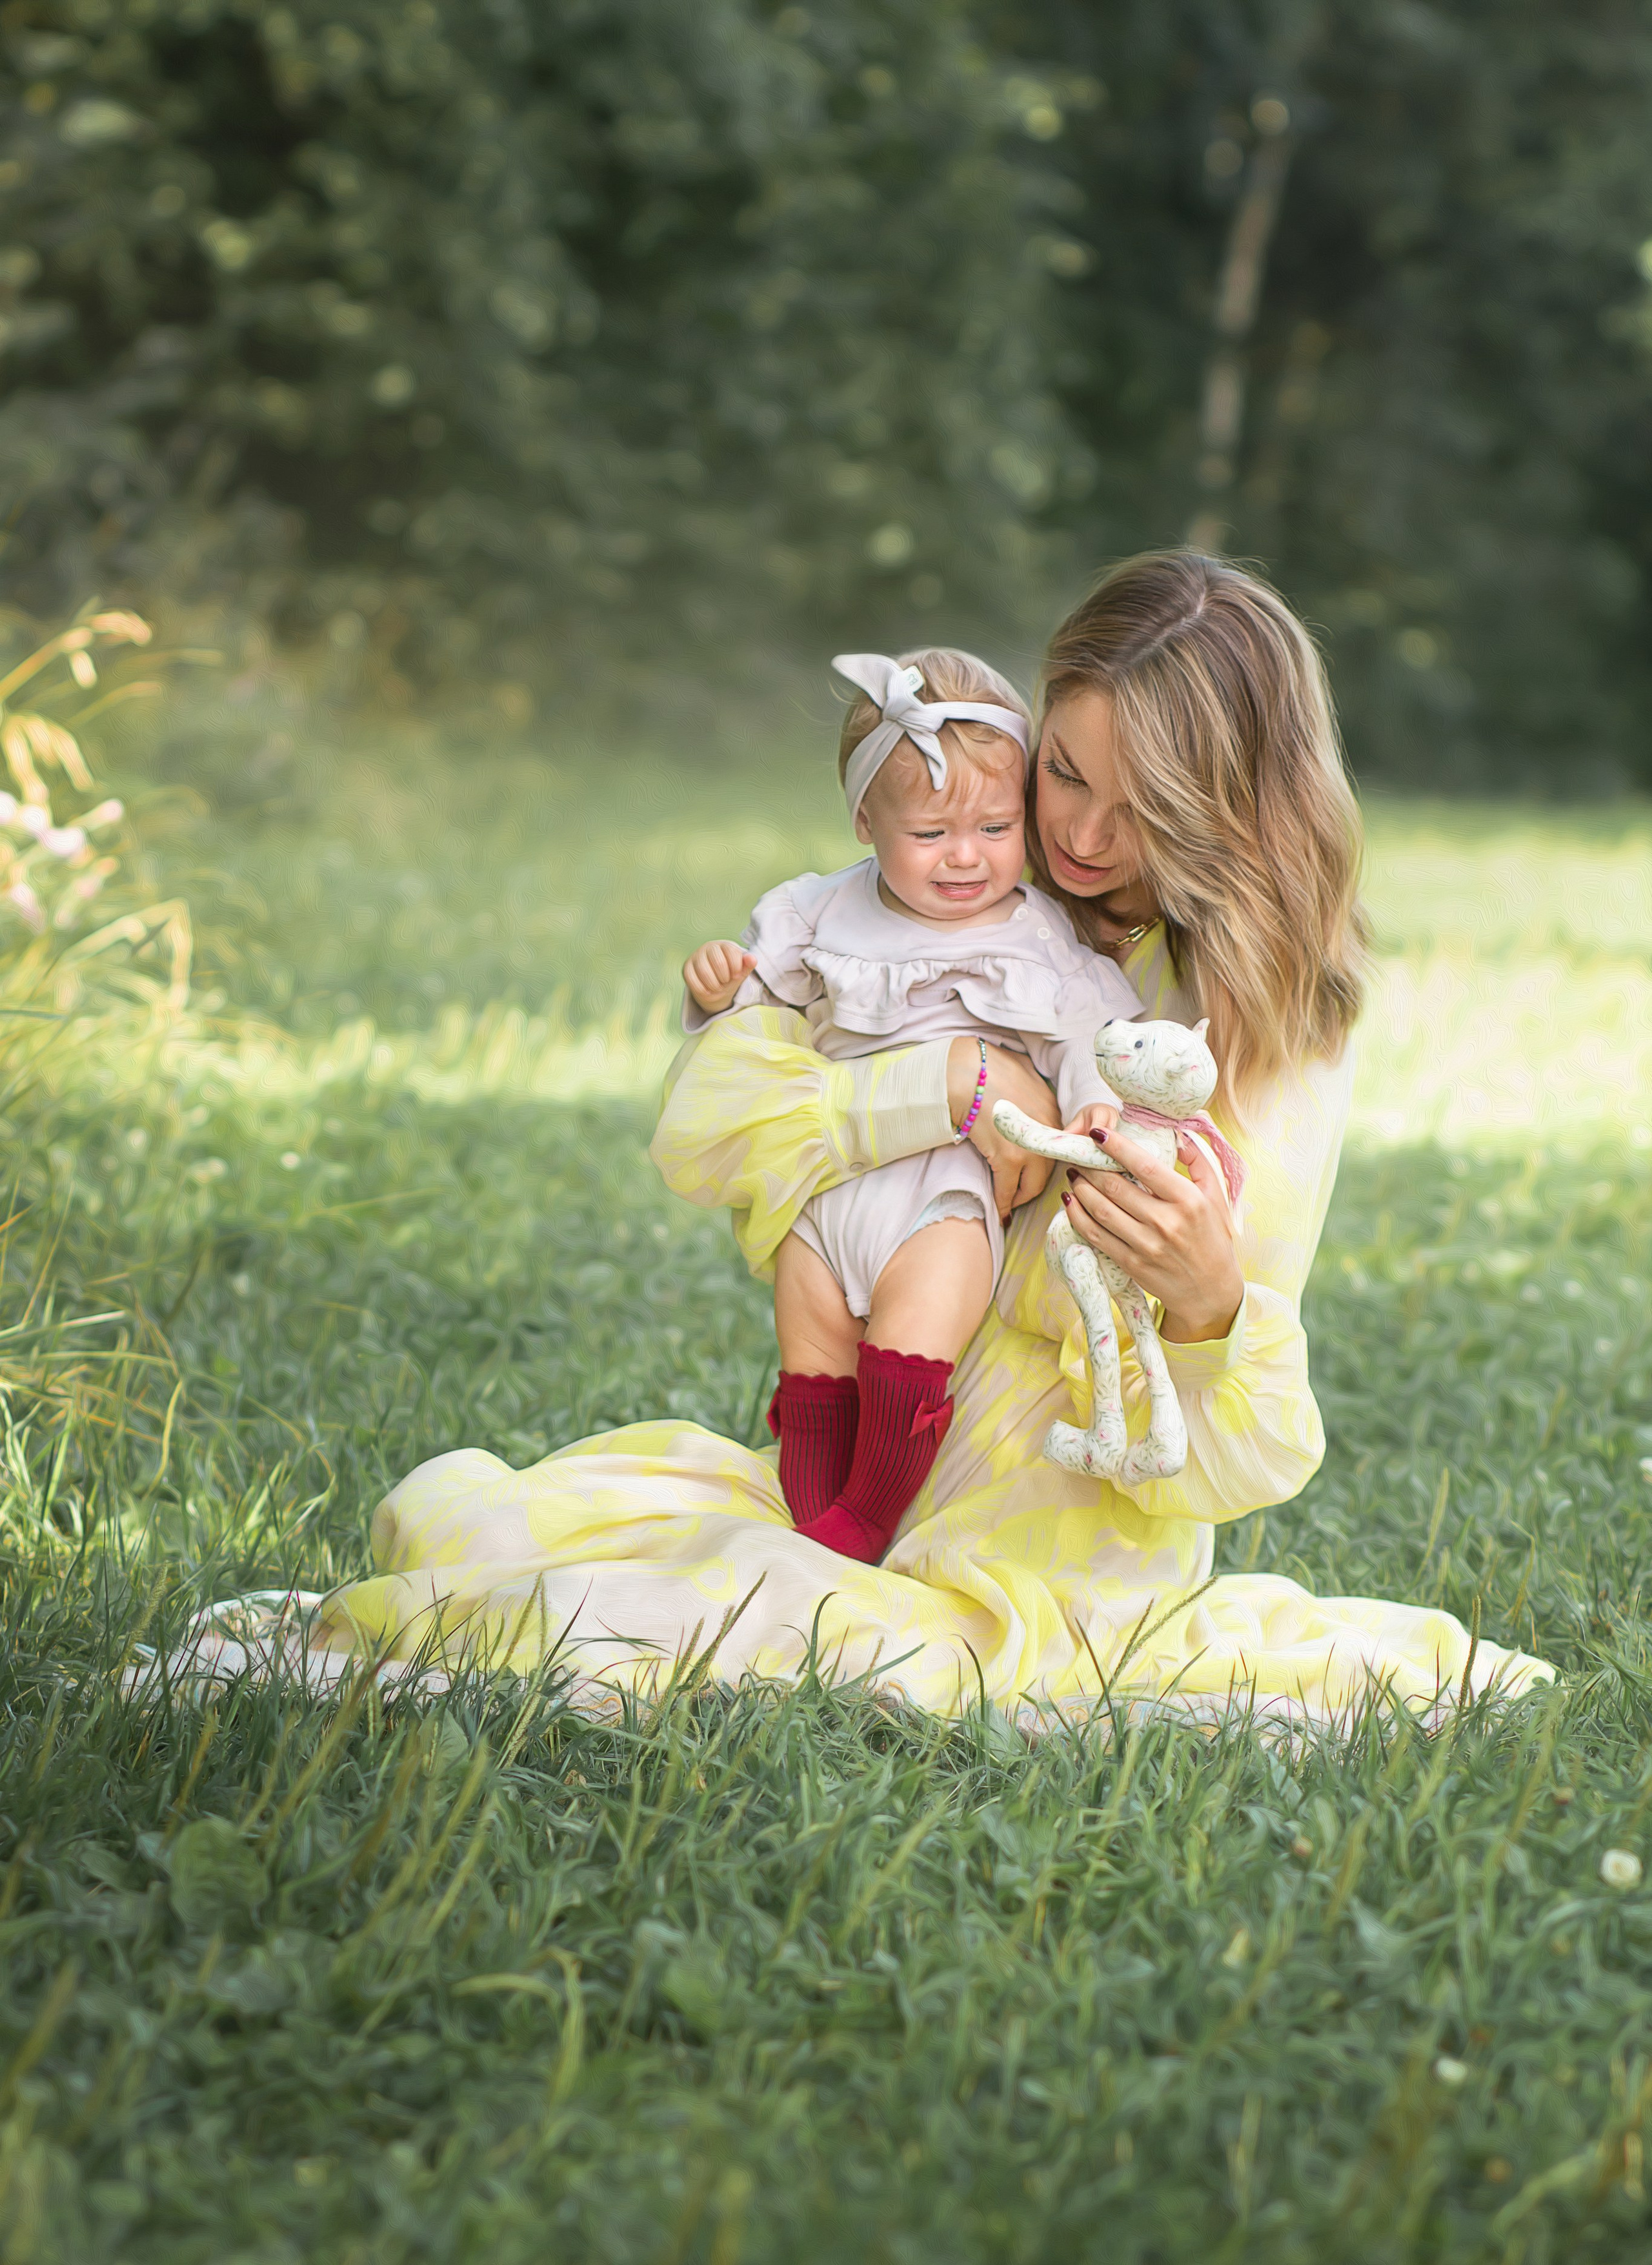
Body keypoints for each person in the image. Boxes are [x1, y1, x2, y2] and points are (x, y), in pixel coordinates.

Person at [302, 552, 1551, 1731]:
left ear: (1230, 812)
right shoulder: (963, 879)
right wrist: (946, 1083)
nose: (1083, 839)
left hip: (1060, 1560)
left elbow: (1225, 1460)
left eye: (1145, 807)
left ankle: (854, 1556)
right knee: (548, 1555)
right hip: (875, 1473)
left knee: (681, 1621)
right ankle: (842, 1530)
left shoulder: (1266, 1023)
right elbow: (714, 1131)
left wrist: (1209, 1303)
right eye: (1063, 770)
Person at [680, 647, 1141, 1564]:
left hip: (946, 1192)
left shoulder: (1036, 932)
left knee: (912, 1334)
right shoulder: (814, 912)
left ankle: (863, 1521)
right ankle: (808, 1513)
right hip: (829, 1182)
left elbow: (1089, 1030)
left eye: (997, 827)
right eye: (931, 833)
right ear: (864, 819)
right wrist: (714, 992)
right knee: (812, 1337)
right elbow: (752, 1029)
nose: (966, 856)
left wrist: (1094, 1105)